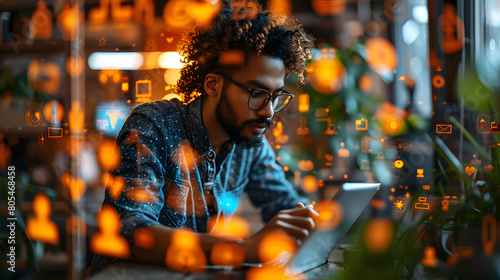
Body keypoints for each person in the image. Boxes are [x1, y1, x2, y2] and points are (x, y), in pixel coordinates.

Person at [89, 0, 317, 275]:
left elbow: (285, 206)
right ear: (213, 85)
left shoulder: (249, 143)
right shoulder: (155, 124)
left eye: (275, 96)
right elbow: (130, 230)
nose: (268, 111)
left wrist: (310, 223)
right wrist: (242, 248)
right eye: (256, 94)